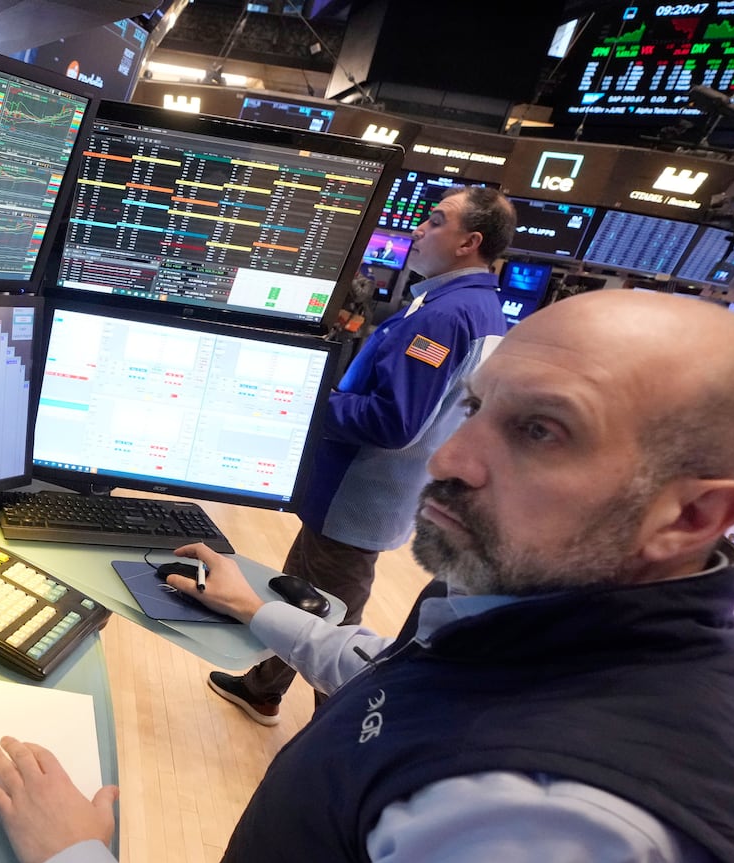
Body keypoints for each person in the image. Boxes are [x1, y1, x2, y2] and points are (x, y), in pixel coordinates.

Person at [0, 290, 734, 863]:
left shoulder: (575, 836)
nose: (449, 458)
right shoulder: (552, 616)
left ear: (690, 517)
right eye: (475, 406)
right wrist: (259, 611)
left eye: (541, 431)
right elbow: (413, 688)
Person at [211, 186, 515, 726]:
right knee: (301, 585)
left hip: (362, 492)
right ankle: (264, 687)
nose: (418, 229)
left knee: (328, 615)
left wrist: (317, 402)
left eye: (436, 221)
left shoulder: (444, 316)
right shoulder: (478, 305)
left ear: (470, 241)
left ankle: (340, 728)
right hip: (371, 492)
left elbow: (394, 422)